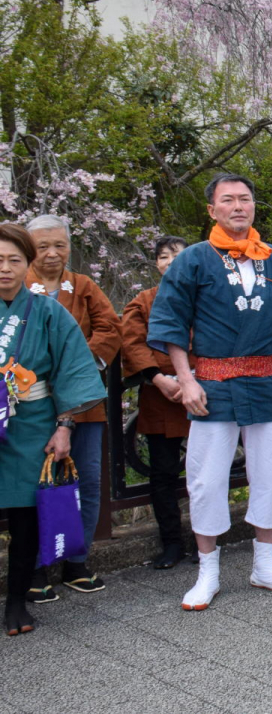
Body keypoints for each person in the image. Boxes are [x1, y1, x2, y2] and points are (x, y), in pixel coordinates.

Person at [147, 173, 272, 611]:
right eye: (227, 200)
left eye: (245, 199)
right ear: (212, 210)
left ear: (253, 206)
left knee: (271, 474)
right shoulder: (192, 260)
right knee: (207, 479)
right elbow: (170, 321)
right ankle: (208, 569)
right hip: (212, 383)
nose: (238, 206)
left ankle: (264, 564)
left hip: (269, 382)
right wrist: (185, 379)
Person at [0, 223, 106, 635]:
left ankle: (17, 602)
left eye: (13, 260)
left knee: (26, 517)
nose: (5, 269)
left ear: (25, 264)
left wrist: (64, 426)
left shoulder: (47, 311)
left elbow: (71, 370)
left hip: (33, 424)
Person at [24, 214, 122, 601]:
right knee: (35, 482)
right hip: (33, 402)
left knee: (88, 482)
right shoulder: (18, 286)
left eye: (59, 245)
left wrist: (78, 363)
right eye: (42, 246)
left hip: (83, 402)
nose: (51, 253)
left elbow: (110, 328)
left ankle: (77, 561)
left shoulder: (82, 285)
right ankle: (33, 566)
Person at [120, 235, 193, 569]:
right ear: (156, 263)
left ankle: (209, 539)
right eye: (163, 256)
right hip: (161, 393)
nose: (169, 261)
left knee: (209, 470)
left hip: (207, 389)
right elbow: (132, 342)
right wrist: (158, 377)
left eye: (176, 255)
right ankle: (172, 543)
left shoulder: (206, 295)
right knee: (163, 473)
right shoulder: (143, 301)